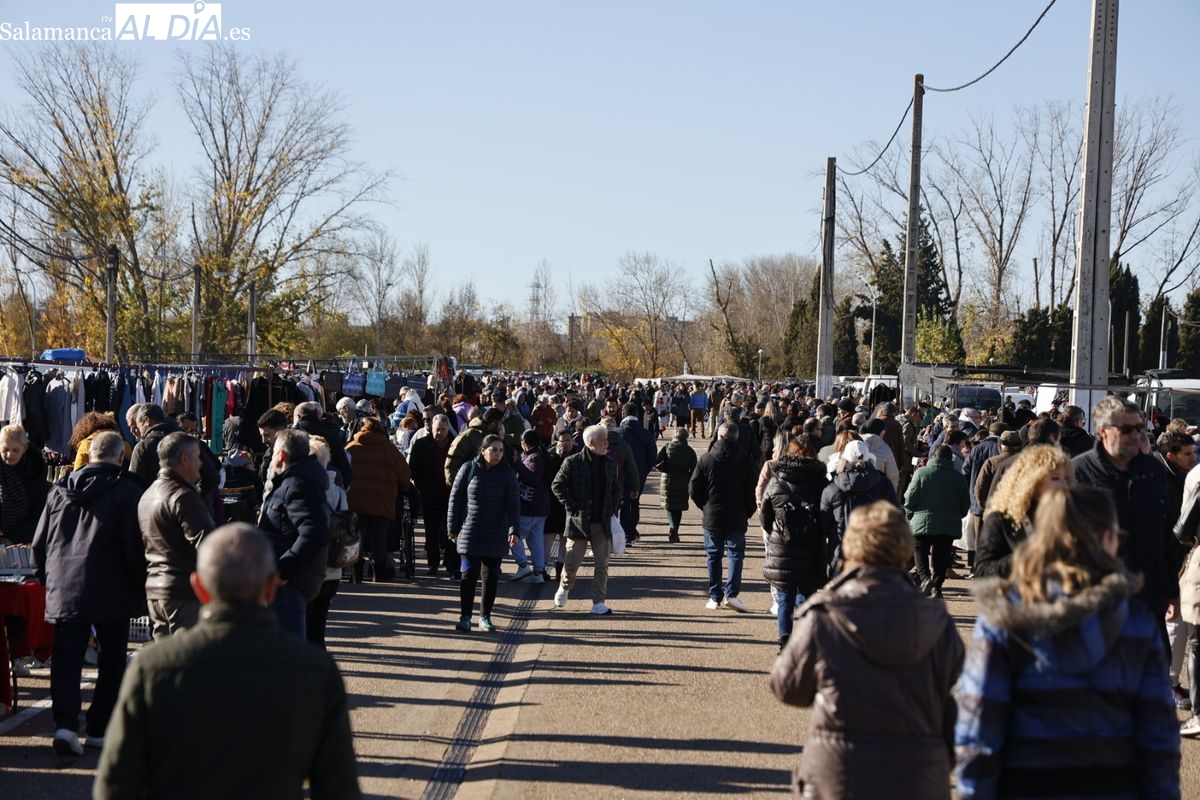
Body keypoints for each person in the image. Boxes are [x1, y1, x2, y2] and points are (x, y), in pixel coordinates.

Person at [93, 523, 361, 799]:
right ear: (271, 587)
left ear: (198, 587)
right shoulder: (315, 671)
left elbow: (115, 785)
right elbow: (338, 788)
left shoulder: (152, 667)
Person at [956, 486, 1180, 798]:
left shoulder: (1004, 617)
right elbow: (1158, 735)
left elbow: (979, 728)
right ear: (1105, 539)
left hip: (1024, 783)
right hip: (1113, 784)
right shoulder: (1136, 621)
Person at [770, 502, 963, 800]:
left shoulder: (824, 616)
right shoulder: (936, 621)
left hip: (840, 772)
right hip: (919, 770)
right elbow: (952, 685)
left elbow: (788, 687)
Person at [31, 431, 145, 757]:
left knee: (66, 660)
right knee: (112, 660)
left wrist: (47, 579)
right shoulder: (128, 491)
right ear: (120, 457)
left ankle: (65, 725)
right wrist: (139, 584)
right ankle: (99, 727)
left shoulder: (59, 491)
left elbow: (40, 543)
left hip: (66, 584)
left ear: (89, 454)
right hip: (113, 587)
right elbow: (134, 546)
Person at [1073, 397, 1172, 629]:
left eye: (1139, 428)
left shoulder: (1154, 471)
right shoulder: (1078, 473)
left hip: (1149, 600)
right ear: (1102, 432)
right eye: (1126, 429)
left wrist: (1172, 591)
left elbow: (1165, 533)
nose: (1135, 435)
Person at [137, 432, 217, 639]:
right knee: (189, 664)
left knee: (167, 664)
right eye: (198, 457)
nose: (201, 463)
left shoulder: (148, 495)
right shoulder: (182, 496)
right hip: (183, 593)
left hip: (156, 590)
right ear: (184, 459)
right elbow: (208, 543)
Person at [258, 428, 331, 638]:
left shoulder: (297, 485)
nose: (271, 460)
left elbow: (314, 532)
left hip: (291, 584)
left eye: (273, 454)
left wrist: (282, 570)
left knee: (288, 658)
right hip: (294, 580)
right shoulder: (297, 481)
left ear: (281, 455)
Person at [759, 438, 830, 651]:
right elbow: (827, 515)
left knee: (784, 596)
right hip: (811, 546)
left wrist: (775, 530)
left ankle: (785, 638)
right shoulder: (821, 483)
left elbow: (765, 515)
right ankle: (807, 639)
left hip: (783, 545)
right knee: (807, 596)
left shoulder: (777, 480)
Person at [448, 434, 520, 631]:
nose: (497, 454)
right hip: (469, 529)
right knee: (467, 574)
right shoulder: (468, 469)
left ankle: (485, 617)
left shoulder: (507, 474)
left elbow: (513, 505)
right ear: (483, 451)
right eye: (493, 450)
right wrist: (452, 527)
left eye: (500, 451)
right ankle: (465, 617)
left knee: (491, 577)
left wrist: (514, 530)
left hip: (496, 532)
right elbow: (455, 499)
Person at [975, 444, 1073, 580]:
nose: (1064, 485)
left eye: (1066, 479)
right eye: (1055, 478)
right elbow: (982, 571)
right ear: (1032, 480)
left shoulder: (1072, 517)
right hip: (1016, 597)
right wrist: (1029, 554)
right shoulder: (1001, 520)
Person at [552, 424, 621, 615]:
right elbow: (557, 485)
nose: (607, 444)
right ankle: (565, 587)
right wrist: (572, 507)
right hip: (579, 523)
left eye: (607, 439)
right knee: (572, 564)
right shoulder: (572, 463)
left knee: (602, 564)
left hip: (602, 522)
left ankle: (598, 602)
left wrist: (613, 508)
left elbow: (617, 488)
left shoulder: (610, 463)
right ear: (591, 443)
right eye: (603, 440)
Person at [689, 422, 756, 612]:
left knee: (713, 556)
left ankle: (714, 595)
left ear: (719, 436)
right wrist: (748, 510)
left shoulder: (707, 459)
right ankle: (732, 594)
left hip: (713, 514)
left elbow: (694, 488)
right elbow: (753, 491)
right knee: (735, 555)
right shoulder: (746, 461)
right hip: (737, 513)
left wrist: (705, 506)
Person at [345, 416, 412, 583]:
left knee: (356, 539)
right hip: (382, 504)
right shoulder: (390, 450)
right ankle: (377, 574)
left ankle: (356, 574)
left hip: (355, 502)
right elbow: (404, 478)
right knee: (378, 541)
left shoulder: (351, 447)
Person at [820, 440, 899, 575]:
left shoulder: (833, 487)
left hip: (842, 553)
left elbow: (824, 523)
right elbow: (896, 516)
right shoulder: (883, 484)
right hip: (876, 552)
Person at [903, 444, 970, 598]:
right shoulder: (958, 477)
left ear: (933, 456)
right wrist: (956, 515)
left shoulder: (921, 473)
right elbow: (965, 503)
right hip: (949, 522)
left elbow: (909, 498)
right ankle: (937, 586)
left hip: (922, 519)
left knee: (919, 548)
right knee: (942, 553)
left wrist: (910, 514)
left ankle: (925, 579)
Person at [307, 436, 345, 650]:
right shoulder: (337, 485)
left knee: (305, 624)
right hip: (333, 563)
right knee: (319, 625)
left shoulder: (305, 486)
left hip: (311, 566)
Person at [409, 413, 455, 576]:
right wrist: (421, 485)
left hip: (450, 495)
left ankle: (451, 564)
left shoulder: (455, 445)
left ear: (447, 429)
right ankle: (433, 563)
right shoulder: (422, 444)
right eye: (437, 429)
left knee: (451, 531)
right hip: (430, 494)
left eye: (442, 429)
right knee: (432, 531)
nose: (439, 433)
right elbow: (413, 468)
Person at [0, 423, 50, 545]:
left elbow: (40, 511)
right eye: (5, 449)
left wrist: (15, 538)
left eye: (15, 450)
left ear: (25, 448)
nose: (9, 455)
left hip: (25, 541)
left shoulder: (35, 469)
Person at [512, 429, 550, 582]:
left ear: (525, 443)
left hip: (529, 506)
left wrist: (517, 464)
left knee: (513, 536)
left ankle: (522, 565)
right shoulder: (542, 456)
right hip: (540, 507)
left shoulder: (534, 458)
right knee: (536, 540)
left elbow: (532, 477)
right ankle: (538, 572)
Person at [655, 426, 697, 543]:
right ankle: (675, 529)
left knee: (669, 506)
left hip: (668, 478)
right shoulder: (689, 451)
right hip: (683, 480)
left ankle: (673, 527)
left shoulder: (667, 447)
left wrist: (665, 468)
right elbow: (694, 469)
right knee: (678, 507)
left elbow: (657, 463)